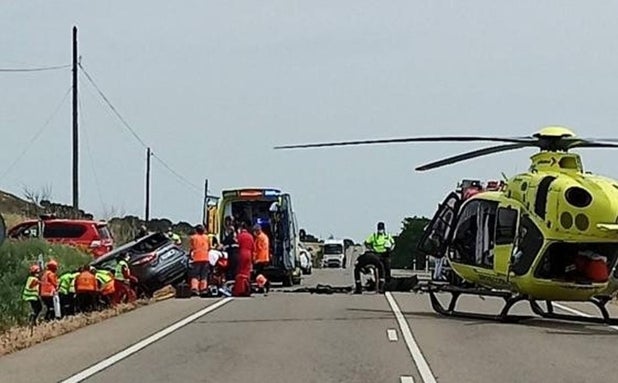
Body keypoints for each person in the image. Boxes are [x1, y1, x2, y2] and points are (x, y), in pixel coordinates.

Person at [233, 220, 254, 297]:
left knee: (240, 271)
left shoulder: (240, 236)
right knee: (247, 271)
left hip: (241, 253)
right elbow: (253, 247)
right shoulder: (250, 236)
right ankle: (247, 288)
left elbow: (236, 244)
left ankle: (240, 289)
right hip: (249, 254)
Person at [189, 224, 210, 296]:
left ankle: (194, 288)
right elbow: (209, 247)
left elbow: (191, 248)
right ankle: (203, 289)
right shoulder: (206, 237)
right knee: (204, 275)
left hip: (197, 258)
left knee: (195, 274)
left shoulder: (193, 237)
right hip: (205, 258)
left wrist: (190, 256)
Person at [252, 223, 271, 292]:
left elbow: (257, 249)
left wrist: (255, 258)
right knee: (261, 273)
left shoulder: (259, 238)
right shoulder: (265, 236)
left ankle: (266, 283)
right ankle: (261, 287)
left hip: (260, 258)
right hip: (265, 257)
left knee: (257, 274)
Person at [221, 216, 239, 281]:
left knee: (232, 267)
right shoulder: (235, 231)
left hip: (233, 252)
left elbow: (228, 240)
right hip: (232, 252)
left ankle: (232, 280)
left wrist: (222, 245)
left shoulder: (233, 232)